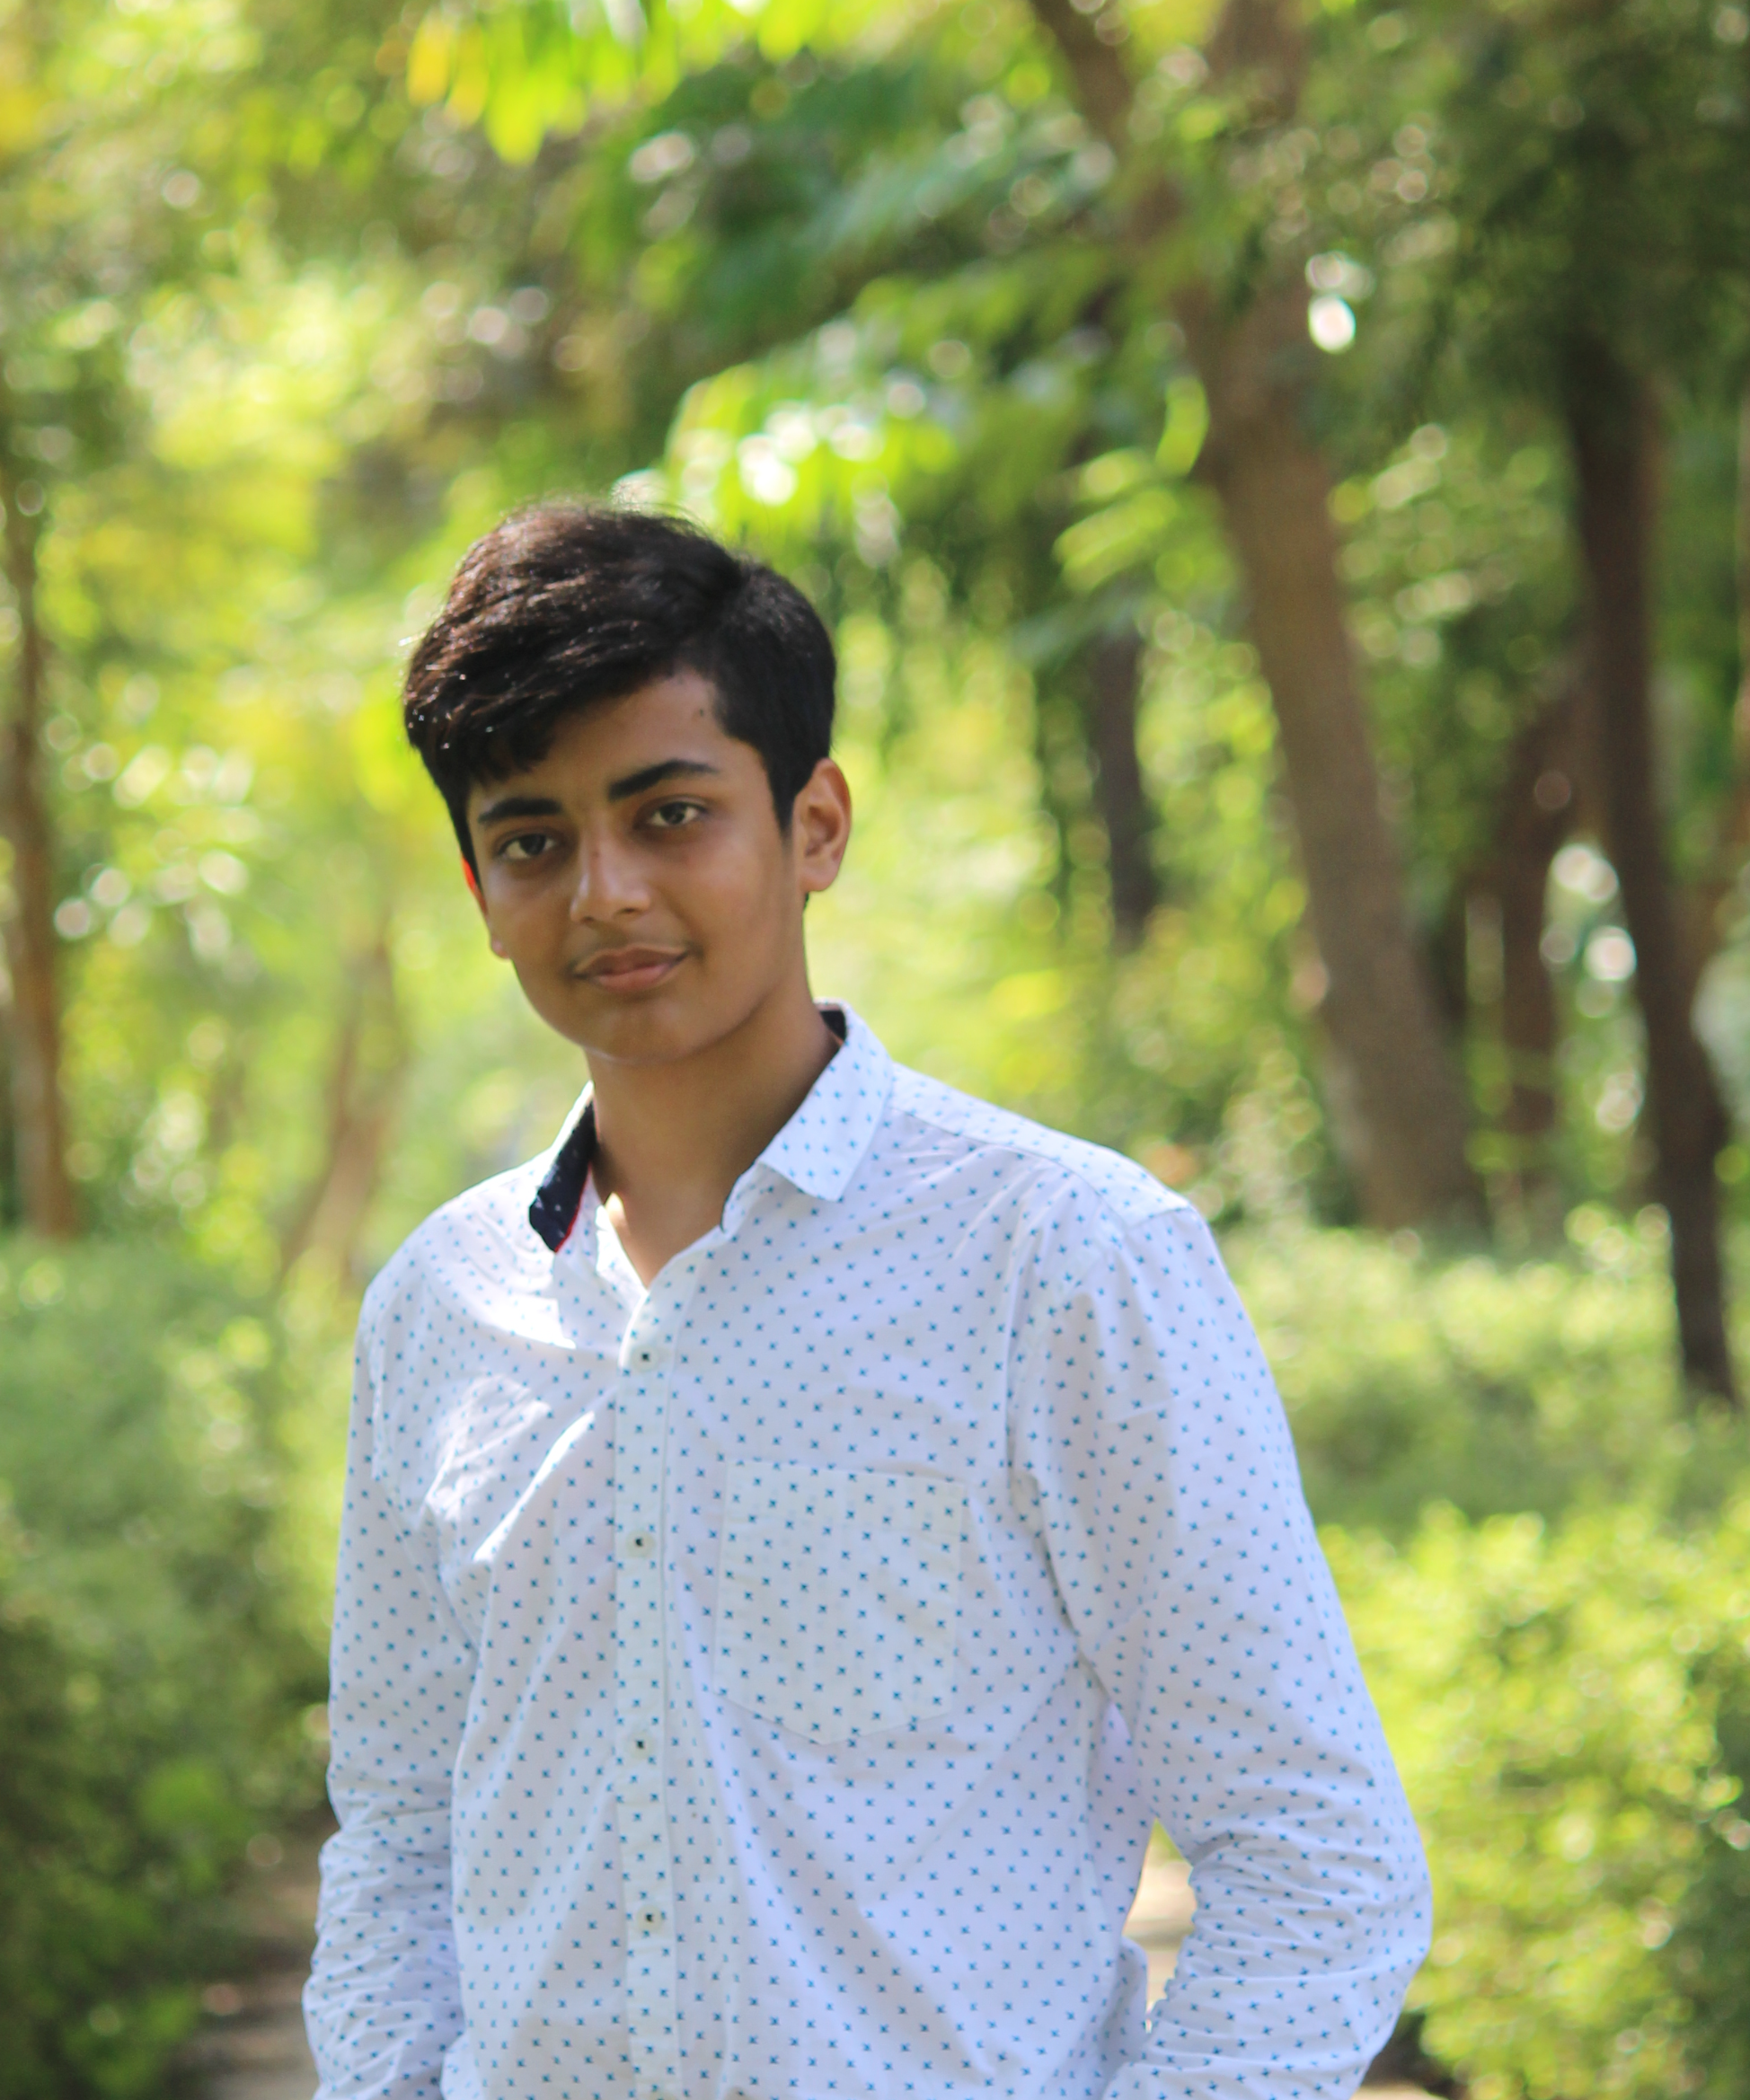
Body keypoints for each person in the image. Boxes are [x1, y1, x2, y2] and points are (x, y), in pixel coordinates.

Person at [304, 503, 1429, 2100]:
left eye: (670, 812)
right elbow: (400, 1835)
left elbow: (1315, 1856)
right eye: (533, 839)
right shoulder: (441, 1303)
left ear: (813, 823)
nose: (604, 891)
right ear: (481, 888)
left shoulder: (1065, 1260)